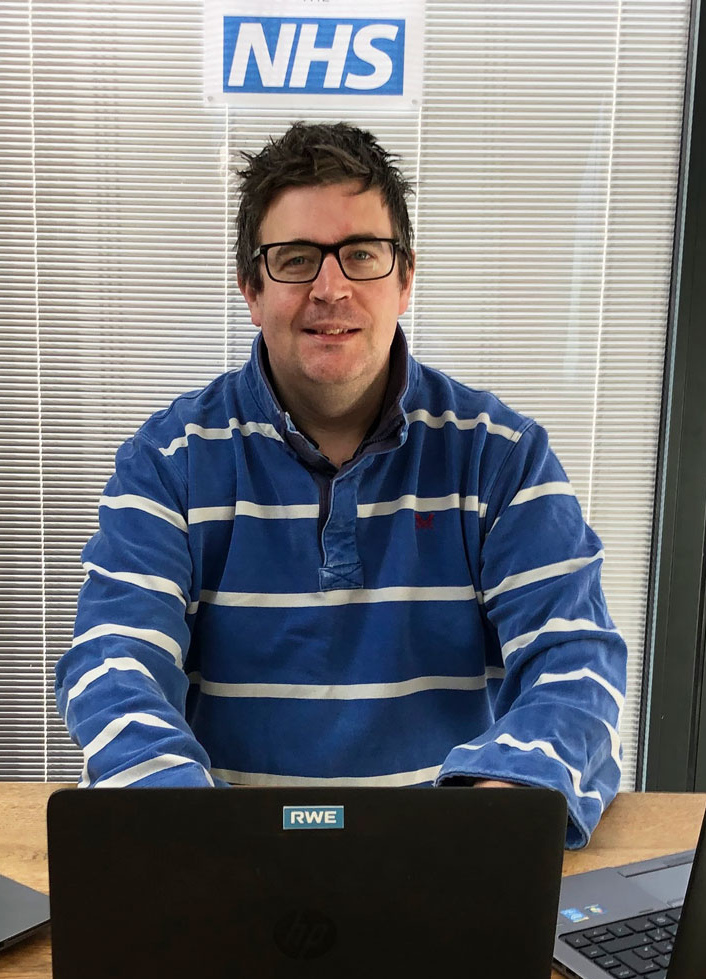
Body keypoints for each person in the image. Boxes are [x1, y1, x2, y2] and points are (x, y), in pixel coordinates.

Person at [54, 122, 626, 847]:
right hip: (226, 857)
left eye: (361, 254)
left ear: (405, 279)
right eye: (296, 260)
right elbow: (113, 660)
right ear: (251, 292)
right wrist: (189, 832)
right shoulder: (170, 459)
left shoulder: (502, 456)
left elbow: (577, 661)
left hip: (444, 856)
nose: (332, 288)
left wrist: (501, 807)